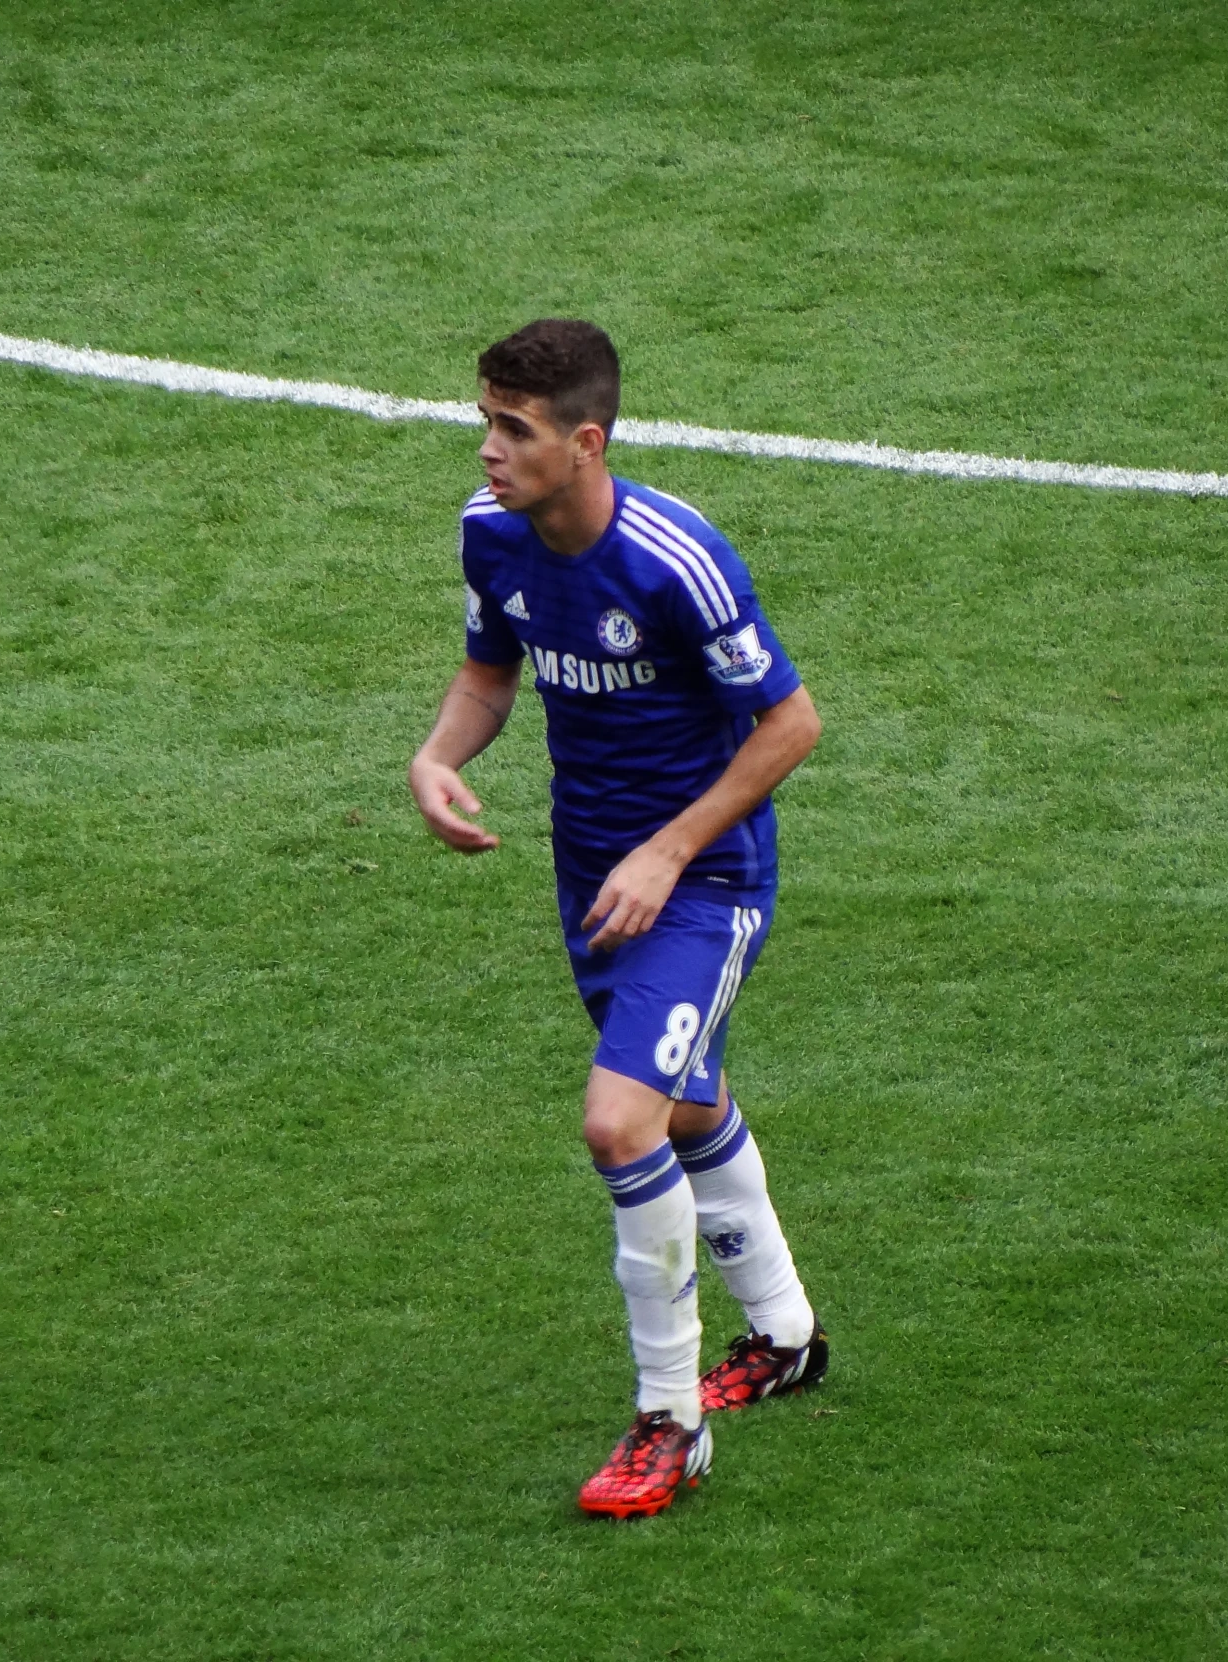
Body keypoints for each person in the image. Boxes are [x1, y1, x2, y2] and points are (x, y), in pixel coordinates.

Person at [407, 319, 829, 1520]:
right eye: (483, 421)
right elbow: (492, 672)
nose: (486, 450)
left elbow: (789, 726)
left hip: (699, 880)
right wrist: (436, 758)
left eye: (512, 429)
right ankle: (787, 1337)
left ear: (584, 442)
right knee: (685, 1099)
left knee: (616, 1121)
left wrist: (667, 848)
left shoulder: (673, 558)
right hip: (593, 877)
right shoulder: (490, 536)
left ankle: (668, 1421)